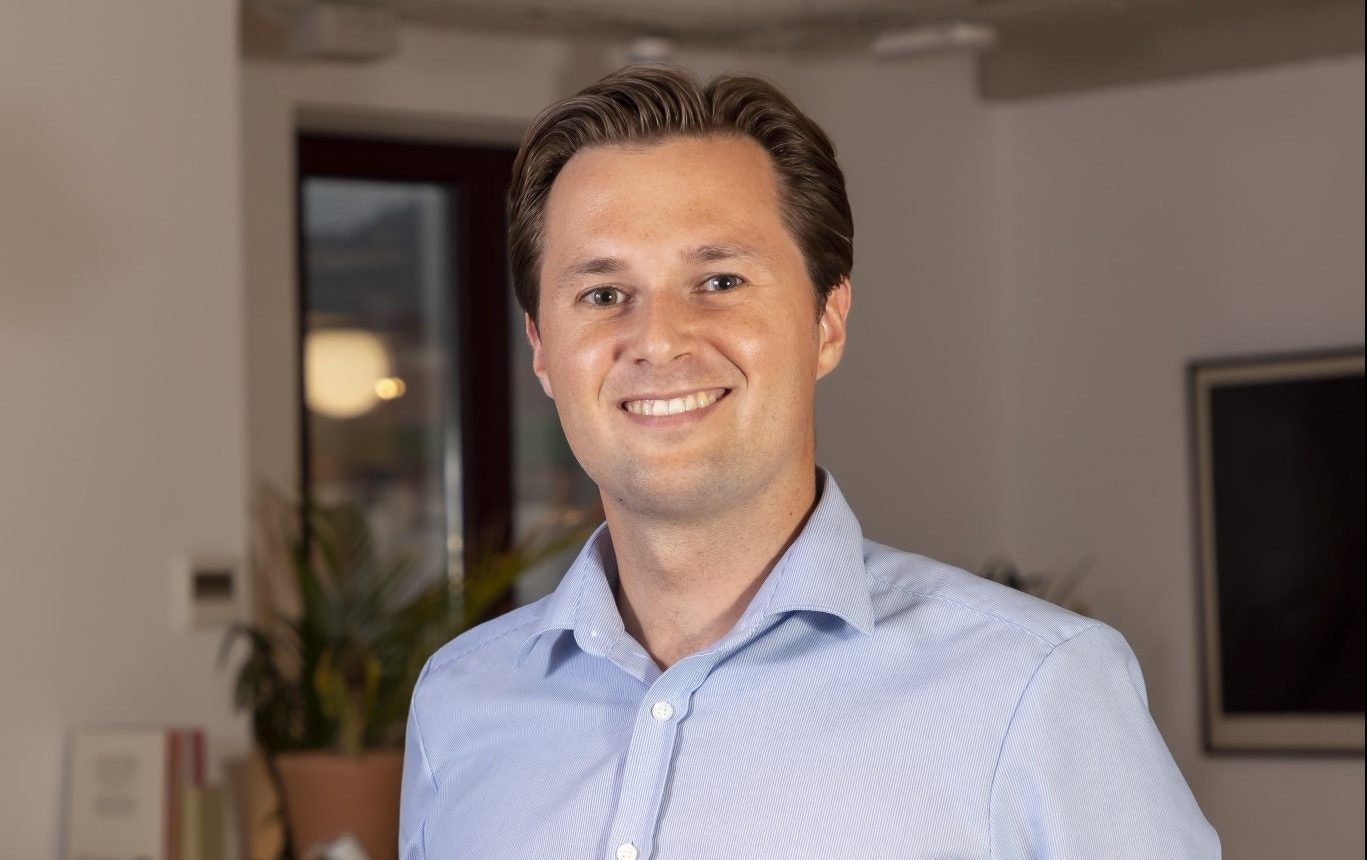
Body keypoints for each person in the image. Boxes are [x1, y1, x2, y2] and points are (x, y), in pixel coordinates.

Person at [400, 66, 1220, 859]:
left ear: (827, 322)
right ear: (541, 349)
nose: (657, 340)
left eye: (718, 280)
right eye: (603, 295)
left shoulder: (1032, 688)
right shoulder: (459, 704)